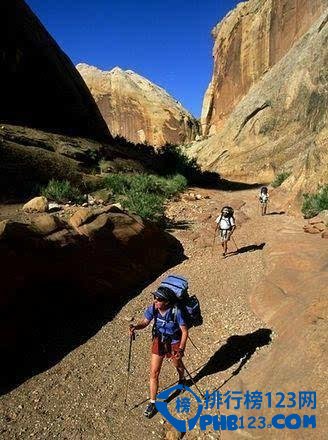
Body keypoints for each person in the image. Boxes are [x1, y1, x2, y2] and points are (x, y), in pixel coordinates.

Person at [129, 286, 188, 418]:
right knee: (154, 372)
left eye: (159, 299)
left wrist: (181, 348)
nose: (155, 300)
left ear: (166, 301)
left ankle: (182, 379)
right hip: (159, 341)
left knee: (177, 364)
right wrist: (135, 327)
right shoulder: (153, 309)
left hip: (174, 342)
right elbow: (145, 322)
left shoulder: (176, 312)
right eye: (155, 297)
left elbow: (184, 331)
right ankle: (152, 402)